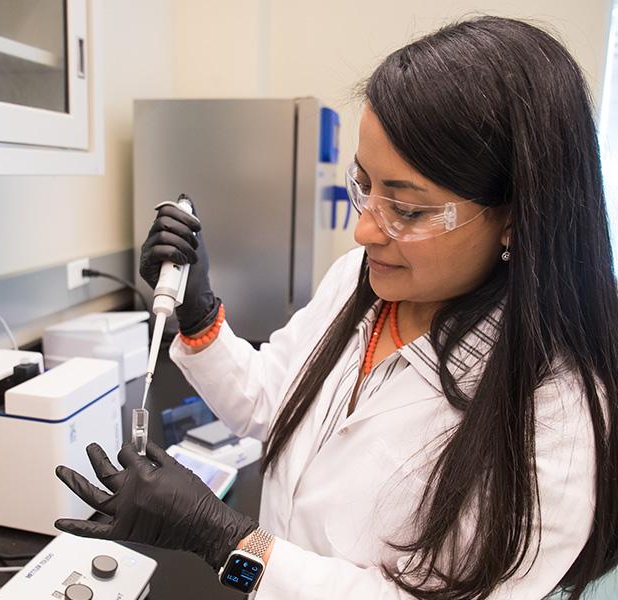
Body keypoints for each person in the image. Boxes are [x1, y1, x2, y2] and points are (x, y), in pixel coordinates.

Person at [54, 15, 618, 600]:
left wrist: (222, 540)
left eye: (407, 209)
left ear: (514, 217)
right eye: (364, 183)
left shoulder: (554, 410)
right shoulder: (363, 283)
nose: (362, 230)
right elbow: (273, 401)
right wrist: (198, 314)